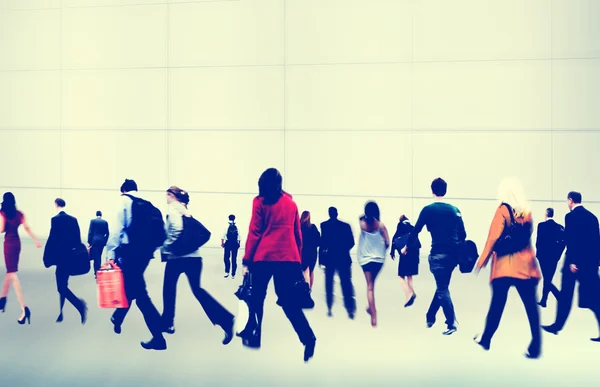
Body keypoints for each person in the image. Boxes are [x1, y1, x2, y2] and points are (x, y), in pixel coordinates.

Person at [241, 168, 316, 362]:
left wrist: (246, 261)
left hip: (264, 256)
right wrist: (298, 260)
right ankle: (308, 338)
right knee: (289, 302)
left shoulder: (259, 202)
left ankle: (254, 336)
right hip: (288, 258)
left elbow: (255, 232)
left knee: (256, 298)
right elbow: (297, 234)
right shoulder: (291, 204)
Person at [474, 177, 542, 359]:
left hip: (504, 268)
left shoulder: (502, 210)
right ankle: (536, 346)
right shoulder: (527, 212)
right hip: (526, 267)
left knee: (497, 305)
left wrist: (481, 261)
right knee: (531, 308)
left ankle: (486, 339)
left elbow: (493, 238)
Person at [160, 186, 234, 344]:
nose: (166, 196)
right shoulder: (186, 210)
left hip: (177, 257)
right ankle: (226, 320)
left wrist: (167, 246)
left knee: (168, 288)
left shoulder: (173, 210)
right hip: (194, 257)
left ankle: (168, 322)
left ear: (175, 196)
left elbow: (176, 230)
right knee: (198, 290)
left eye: (168, 193)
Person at [106, 179, 166, 350]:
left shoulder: (124, 201)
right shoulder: (147, 204)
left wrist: (110, 254)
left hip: (129, 252)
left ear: (123, 190)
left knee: (140, 295)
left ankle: (159, 334)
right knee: (133, 288)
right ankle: (118, 317)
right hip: (145, 254)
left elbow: (117, 229)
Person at [402, 177, 466, 335]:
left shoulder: (428, 210)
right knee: (442, 287)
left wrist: (406, 247)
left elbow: (415, 232)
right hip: (452, 258)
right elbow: (463, 234)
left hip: (437, 255)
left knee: (442, 288)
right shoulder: (455, 210)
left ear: (432, 190)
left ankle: (451, 323)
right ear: (445, 190)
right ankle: (430, 316)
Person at [542, 191, 600, 342]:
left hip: (573, 264)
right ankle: (557, 326)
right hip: (590, 265)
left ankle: (557, 326)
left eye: (568, 201)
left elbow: (572, 239)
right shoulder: (592, 217)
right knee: (595, 299)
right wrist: (596, 264)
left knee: (566, 296)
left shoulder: (571, 216)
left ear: (571, 200)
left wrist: (573, 261)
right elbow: (596, 242)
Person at [43, 198, 88, 324]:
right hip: (70, 257)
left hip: (60, 258)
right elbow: (77, 239)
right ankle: (61, 313)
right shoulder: (73, 219)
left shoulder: (55, 220)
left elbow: (53, 239)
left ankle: (79, 304)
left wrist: (48, 257)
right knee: (63, 285)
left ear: (56, 205)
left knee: (61, 287)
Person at [0, 192, 41, 324]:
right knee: (10, 271)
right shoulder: (19, 214)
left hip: (8, 243)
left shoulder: (3, 213)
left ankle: (24, 308)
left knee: (12, 274)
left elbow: (1, 230)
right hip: (17, 243)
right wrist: (36, 240)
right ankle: (2, 299)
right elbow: (27, 227)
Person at [357, 201, 390, 327]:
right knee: (372, 284)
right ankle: (372, 309)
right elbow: (387, 243)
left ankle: (373, 314)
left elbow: (361, 219)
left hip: (365, 260)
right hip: (378, 259)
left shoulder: (362, 225)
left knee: (369, 287)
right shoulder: (381, 226)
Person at [320, 207, 356, 318]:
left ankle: (329, 306)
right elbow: (351, 242)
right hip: (343, 257)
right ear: (337, 213)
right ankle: (350, 308)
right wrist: (343, 249)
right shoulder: (345, 226)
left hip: (330, 258)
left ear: (329, 214)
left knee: (329, 283)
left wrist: (321, 259)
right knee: (346, 282)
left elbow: (323, 244)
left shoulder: (324, 225)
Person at [535, 208, 565, 308]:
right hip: (553, 258)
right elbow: (563, 243)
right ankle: (544, 300)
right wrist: (558, 255)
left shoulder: (541, 225)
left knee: (547, 279)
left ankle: (559, 296)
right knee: (548, 278)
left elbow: (538, 241)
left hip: (543, 257)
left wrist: (538, 254)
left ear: (546, 214)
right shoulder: (559, 227)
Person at [390, 215, 420, 307]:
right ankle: (410, 294)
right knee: (409, 275)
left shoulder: (400, 226)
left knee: (401, 276)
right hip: (414, 254)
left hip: (405, 254)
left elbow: (394, 239)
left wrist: (392, 252)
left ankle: (409, 293)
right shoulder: (412, 227)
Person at [300, 211, 320, 288]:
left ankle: (304, 288)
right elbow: (318, 241)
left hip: (301, 252)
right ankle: (309, 288)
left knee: (303, 270)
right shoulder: (313, 227)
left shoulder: (298, 227)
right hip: (312, 252)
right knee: (310, 271)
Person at [88, 210, 109, 278]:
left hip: (94, 241)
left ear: (96, 214)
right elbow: (107, 233)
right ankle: (97, 271)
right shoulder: (105, 222)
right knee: (98, 255)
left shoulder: (93, 221)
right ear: (101, 215)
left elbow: (90, 232)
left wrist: (89, 242)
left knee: (96, 257)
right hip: (101, 242)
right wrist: (105, 241)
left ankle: (97, 272)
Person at [221, 214, 240, 279]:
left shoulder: (226, 226)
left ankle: (227, 271)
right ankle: (233, 274)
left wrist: (222, 243)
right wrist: (238, 243)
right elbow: (239, 236)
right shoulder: (237, 226)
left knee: (226, 258)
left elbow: (223, 235)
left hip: (228, 243)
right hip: (235, 243)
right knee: (234, 259)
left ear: (228, 218)